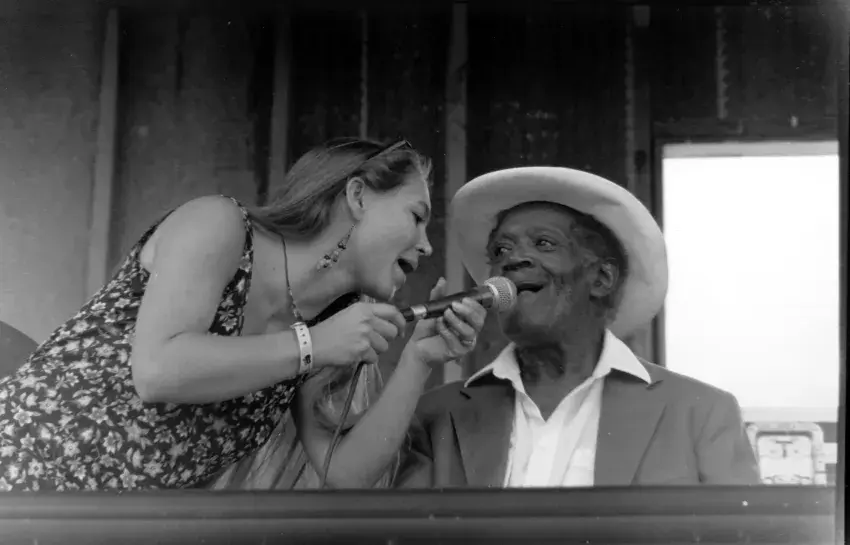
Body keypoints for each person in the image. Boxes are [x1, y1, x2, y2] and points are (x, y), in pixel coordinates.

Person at [0, 138, 487, 491]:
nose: (427, 245)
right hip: (19, 477)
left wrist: (419, 360)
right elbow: (157, 371)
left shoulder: (330, 323)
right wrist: (312, 346)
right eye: (416, 216)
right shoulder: (218, 225)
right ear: (358, 197)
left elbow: (343, 471)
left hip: (106, 528)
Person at [394, 166, 761, 488]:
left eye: (544, 243)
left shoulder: (701, 413)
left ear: (601, 278)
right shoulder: (437, 416)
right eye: (501, 251)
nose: (514, 260)